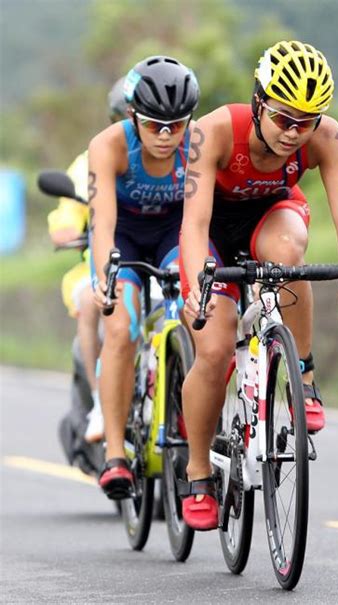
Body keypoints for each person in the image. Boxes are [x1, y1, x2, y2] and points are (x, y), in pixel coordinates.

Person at [179, 40, 338, 530]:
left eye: (305, 122)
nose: (294, 133)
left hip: (272, 217)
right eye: (284, 118)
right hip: (214, 229)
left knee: (290, 255)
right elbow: (193, 226)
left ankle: (303, 377)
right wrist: (195, 284)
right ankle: (199, 471)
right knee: (215, 346)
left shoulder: (325, 137)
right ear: (259, 101)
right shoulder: (216, 131)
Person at [88, 55, 200, 499]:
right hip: (126, 237)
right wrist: (105, 279)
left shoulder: (198, 143)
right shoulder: (110, 145)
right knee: (120, 328)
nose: (167, 136)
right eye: (155, 125)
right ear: (134, 116)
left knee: (201, 314)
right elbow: (103, 227)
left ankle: (197, 427)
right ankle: (116, 454)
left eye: (177, 125)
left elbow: (204, 216)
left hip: (175, 232)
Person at [48, 79, 129, 471]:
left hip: (154, 266)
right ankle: (101, 404)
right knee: (89, 301)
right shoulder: (90, 161)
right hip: (98, 267)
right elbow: (63, 222)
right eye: (128, 117)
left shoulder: (180, 156)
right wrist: (73, 230)